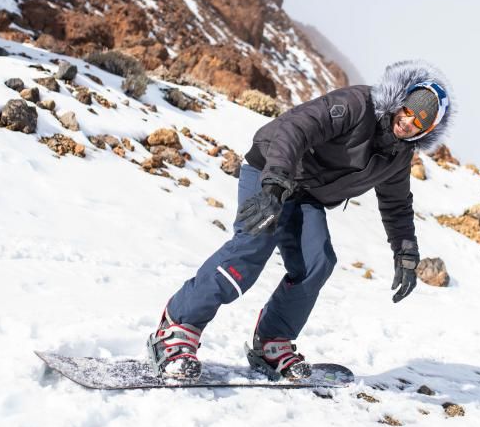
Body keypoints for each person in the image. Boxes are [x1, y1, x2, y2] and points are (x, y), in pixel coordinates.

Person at [147, 60, 455, 380]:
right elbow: (296, 127)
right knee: (253, 244)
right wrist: (275, 182)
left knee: (317, 262)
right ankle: (176, 328)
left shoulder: (399, 156)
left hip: (306, 195)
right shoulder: (356, 105)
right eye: (408, 110)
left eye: (419, 121)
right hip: (271, 169)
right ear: (400, 101)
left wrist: (405, 252)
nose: (408, 122)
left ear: (428, 130)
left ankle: (272, 342)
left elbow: (397, 205)